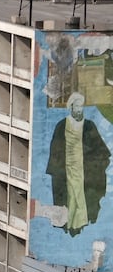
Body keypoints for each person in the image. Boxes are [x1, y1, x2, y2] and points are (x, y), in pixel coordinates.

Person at [46, 90, 110, 236]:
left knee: (82, 201)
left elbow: (101, 151)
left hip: (83, 172)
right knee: (69, 201)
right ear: (71, 107)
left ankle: (81, 227)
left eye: (81, 106)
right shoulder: (61, 126)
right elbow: (55, 151)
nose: (79, 109)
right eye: (76, 106)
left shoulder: (89, 126)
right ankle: (68, 227)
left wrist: (95, 165)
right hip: (67, 172)